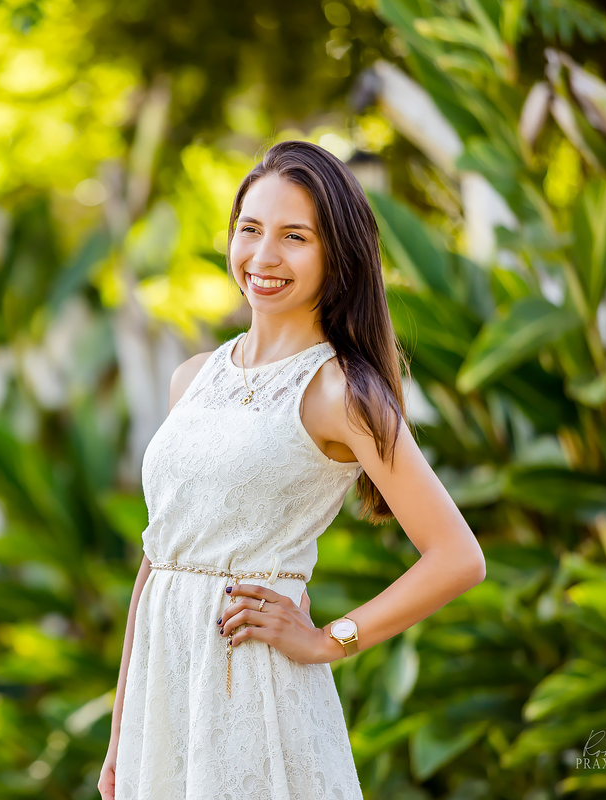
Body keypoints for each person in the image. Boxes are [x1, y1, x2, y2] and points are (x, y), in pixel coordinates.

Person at [97, 140, 487, 799]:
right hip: (164, 703)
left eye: (295, 237)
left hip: (254, 693)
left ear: (336, 255)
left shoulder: (342, 394)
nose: (264, 256)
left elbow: (458, 557)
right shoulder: (191, 378)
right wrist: (121, 736)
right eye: (250, 229)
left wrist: (329, 641)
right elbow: (157, 559)